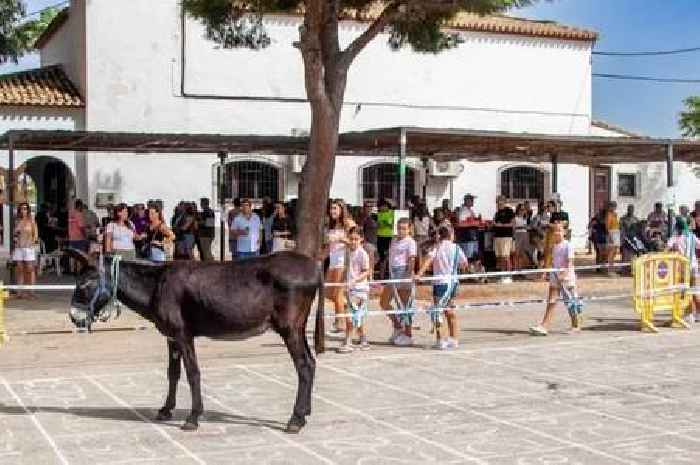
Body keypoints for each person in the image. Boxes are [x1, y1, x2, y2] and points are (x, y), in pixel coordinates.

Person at [417, 225, 468, 350]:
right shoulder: (456, 248)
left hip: (440, 283)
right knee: (449, 310)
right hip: (453, 283)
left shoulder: (436, 248)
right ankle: (454, 338)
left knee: (437, 312)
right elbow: (464, 263)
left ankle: (440, 339)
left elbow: (428, 261)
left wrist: (419, 274)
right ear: (451, 235)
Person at [529, 223, 582, 336]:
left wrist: (564, 274)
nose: (557, 233)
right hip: (555, 277)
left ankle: (576, 325)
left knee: (571, 303)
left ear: (564, 232)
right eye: (555, 231)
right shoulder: (553, 247)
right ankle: (544, 326)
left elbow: (570, 261)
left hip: (567, 279)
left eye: (559, 231)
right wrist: (545, 273)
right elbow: (551, 261)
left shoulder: (568, 245)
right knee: (551, 301)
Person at [380, 217, 417, 346]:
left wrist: (408, 273)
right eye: (399, 228)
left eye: (404, 228)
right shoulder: (394, 240)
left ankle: (408, 334)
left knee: (404, 305)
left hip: (403, 272)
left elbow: (412, 259)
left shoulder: (410, 242)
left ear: (409, 229)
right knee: (384, 302)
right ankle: (397, 326)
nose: (401, 231)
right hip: (393, 272)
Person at [338, 227, 371, 353]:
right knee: (356, 315)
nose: (353, 242)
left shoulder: (363, 254)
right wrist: (342, 282)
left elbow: (367, 271)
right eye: (351, 239)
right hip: (349, 288)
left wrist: (355, 280)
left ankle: (348, 340)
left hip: (360, 289)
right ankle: (363, 339)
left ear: (361, 239)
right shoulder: (348, 251)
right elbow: (347, 268)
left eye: (356, 239)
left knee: (349, 315)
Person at [324, 199, 355, 337]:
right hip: (332, 261)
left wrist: (341, 239)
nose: (332, 211)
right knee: (328, 293)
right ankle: (346, 308)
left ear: (342, 209)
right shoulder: (332, 224)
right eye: (331, 209)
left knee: (336, 294)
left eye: (335, 208)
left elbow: (356, 243)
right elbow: (330, 246)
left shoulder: (349, 223)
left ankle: (340, 324)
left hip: (343, 262)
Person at [667, 217, 700, 324]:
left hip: (682, 268)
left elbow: (667, 247)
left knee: (683, 291)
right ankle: (695, 313)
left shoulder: (676, 237)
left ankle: (688, 314)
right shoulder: (692, 236)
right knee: (693, 290)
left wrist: (673, 249)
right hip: (693, 266)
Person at [12, 203, 38, 299]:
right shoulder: (17, 221)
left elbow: (35, 234)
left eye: (25, 208)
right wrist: (15, 240)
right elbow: (15, 234)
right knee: (19, 269)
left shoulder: (31, 221)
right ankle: (20, 292)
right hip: (19, 248)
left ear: (28, 210)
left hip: (28, 248)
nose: (24, 210)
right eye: (22, 209)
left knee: (30, 269)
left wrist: (32, 243)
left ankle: (31, 291)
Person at [493, 195, 515, 282]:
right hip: (498, 236)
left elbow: (513, 223)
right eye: (497, 201)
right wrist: (494, 224)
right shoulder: (497, 213)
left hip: (506, 236)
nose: (498, 203)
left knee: (506, 257)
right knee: (500, 257)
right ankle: (502, 275)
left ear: (504, 202)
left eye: (500, 201)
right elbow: (495, 223)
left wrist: (501, 225)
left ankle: (509, 275)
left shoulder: (509, 211)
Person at [455, 194, 480, 260]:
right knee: (468, 258)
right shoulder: (464, 211)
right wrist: (474, 224)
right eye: (471, 200)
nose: (473, 201)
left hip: (471, 238)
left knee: (473, 256)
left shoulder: (469, 210)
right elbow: (459, 224)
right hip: (467, 238)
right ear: (467, 201)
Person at [376, 200, 394, 273]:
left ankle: (388, 273)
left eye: (383, 206)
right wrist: (384, 223)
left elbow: (391, 224)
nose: (382, 208)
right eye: (380, 207)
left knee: (388, 255)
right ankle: (382, 274)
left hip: (389, 236)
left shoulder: (391, 213)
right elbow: (379, 225)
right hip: (380, 236)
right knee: (382, 256)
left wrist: (384, 224)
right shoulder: (378, 214)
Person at [605, 201, 621, 274]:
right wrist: (610, 236)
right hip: (612, 233)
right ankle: (610, 270)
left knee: (614, 252)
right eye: (612, 206)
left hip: (616, 233)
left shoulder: (614, 214)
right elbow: (607, 227)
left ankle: (612, 268)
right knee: (611, 252)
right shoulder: (609, 215)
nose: (614, 207)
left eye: (615, 206)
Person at [513, 203, 529, 271]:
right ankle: (516, 268)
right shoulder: (515, 218)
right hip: (518, 235)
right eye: (521, 209)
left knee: (522, 253)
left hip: (524, 235)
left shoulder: (525, 218)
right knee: (517, 252)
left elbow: (526, 227)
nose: (522, 211)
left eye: (523, 209)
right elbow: (513, 228)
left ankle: (520, 269)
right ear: (518, 210)